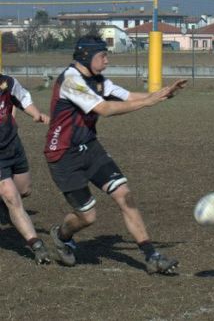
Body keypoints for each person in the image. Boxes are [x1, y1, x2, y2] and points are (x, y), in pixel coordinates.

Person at [44, 36, 187, 274]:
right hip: (63, 155)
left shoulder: (99, 81)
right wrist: (149, 102)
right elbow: (105, 109)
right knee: (88, 217)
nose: (107, 60)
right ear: (86, 57)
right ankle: (61, 234)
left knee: (124, 194)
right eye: (103, 56)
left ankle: (152, 255)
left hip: (90, 147)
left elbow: (130, 97)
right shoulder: (70, 81)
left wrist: (164, 93)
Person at [0, 73, 52, 264]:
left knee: (24, 190)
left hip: (13, 145)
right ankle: (36, 245)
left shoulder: (7, 82)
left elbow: (22, 98)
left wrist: (36, 114)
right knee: (11, 198)